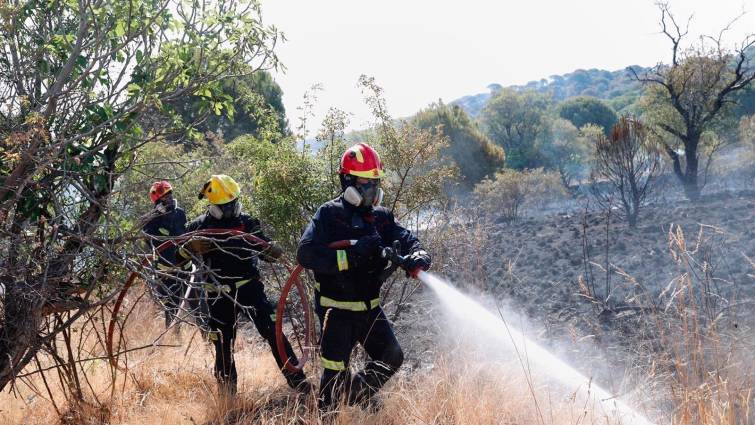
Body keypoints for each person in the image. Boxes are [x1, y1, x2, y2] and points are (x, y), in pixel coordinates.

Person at [296, 143, 431, 412]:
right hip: (336, 312)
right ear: (347, 181)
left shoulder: (381, 217)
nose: (371, 189)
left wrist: (418, 253)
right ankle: (329, 413)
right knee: (334, 379)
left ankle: (356, 393)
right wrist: (352, 255)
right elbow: (306, 254)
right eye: (364, 183)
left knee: (392, 356)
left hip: (370, 310)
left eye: (375, 183)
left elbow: (404, 237)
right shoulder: (329, 214)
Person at [182, 174, 309, 395]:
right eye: (224, 206)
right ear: (213, 206)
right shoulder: (198, 227)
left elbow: (263, 249)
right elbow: (174, 259)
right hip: (218, 295)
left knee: (275, 334)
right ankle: (227, 399)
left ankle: (300, 385)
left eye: (233, 203)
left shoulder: (247, 223)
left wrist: (271, 250)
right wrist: (189, 248)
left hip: (250, 289)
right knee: (223, 346)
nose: (230, 209)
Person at [143, 181, 188, 328]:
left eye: (170, 194)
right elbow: (153, 242)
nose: (169, 198)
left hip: (185, 265)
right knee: (172, 307)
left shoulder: (180, 213)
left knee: (198, 302)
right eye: (165, 196)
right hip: (166, 271)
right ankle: (173, 336)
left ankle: (206, 335)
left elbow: (186, 235)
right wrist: (164, 219)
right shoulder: (150, 220)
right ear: (158, 201)